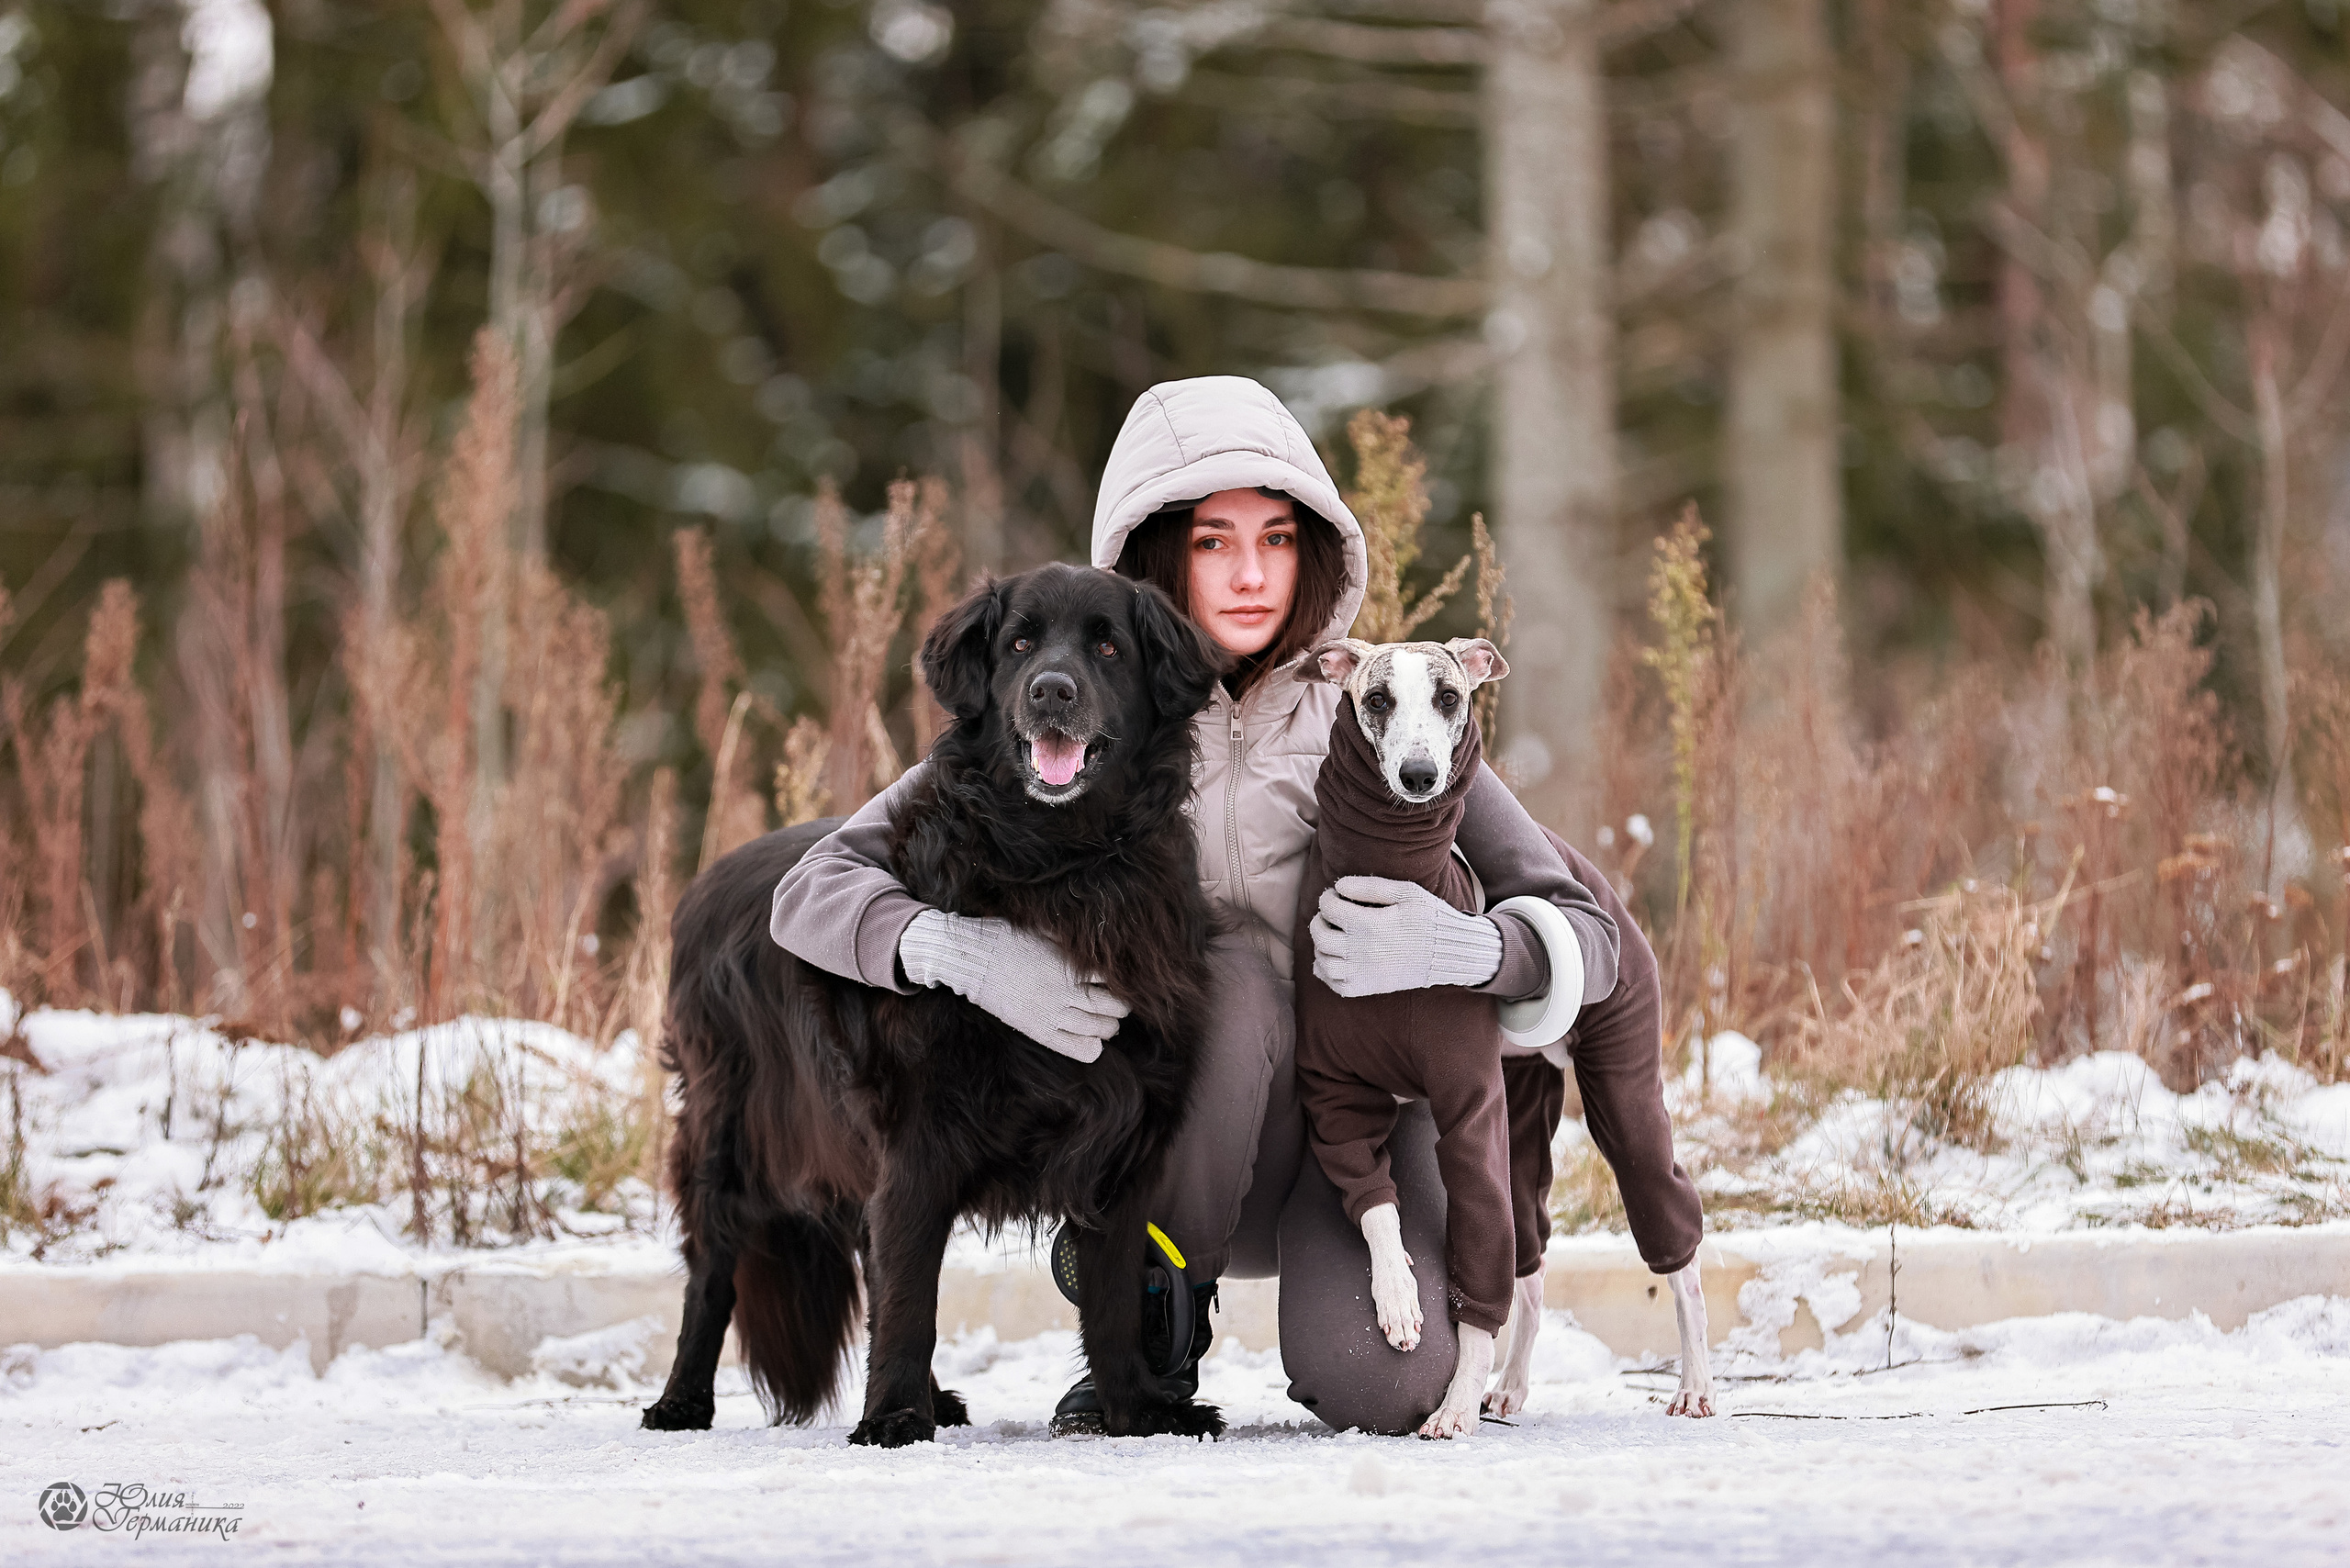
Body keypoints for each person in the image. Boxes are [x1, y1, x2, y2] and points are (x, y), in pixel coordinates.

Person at [769, 375, 1701, 1433]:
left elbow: (1585, 929)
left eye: (1279, 539)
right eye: (1214, 542)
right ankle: (1149, 1330)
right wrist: (957, 951)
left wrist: (1473, 946)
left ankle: (1335, 1307)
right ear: (1159, 552)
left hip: (1357, 1136)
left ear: (1316, 552)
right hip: (1175, 1154)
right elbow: (812, 891)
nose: (1251, 573)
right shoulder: (1083, 721)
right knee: (1238, 978)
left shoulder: (1376, 709)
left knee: (1390, 1389)